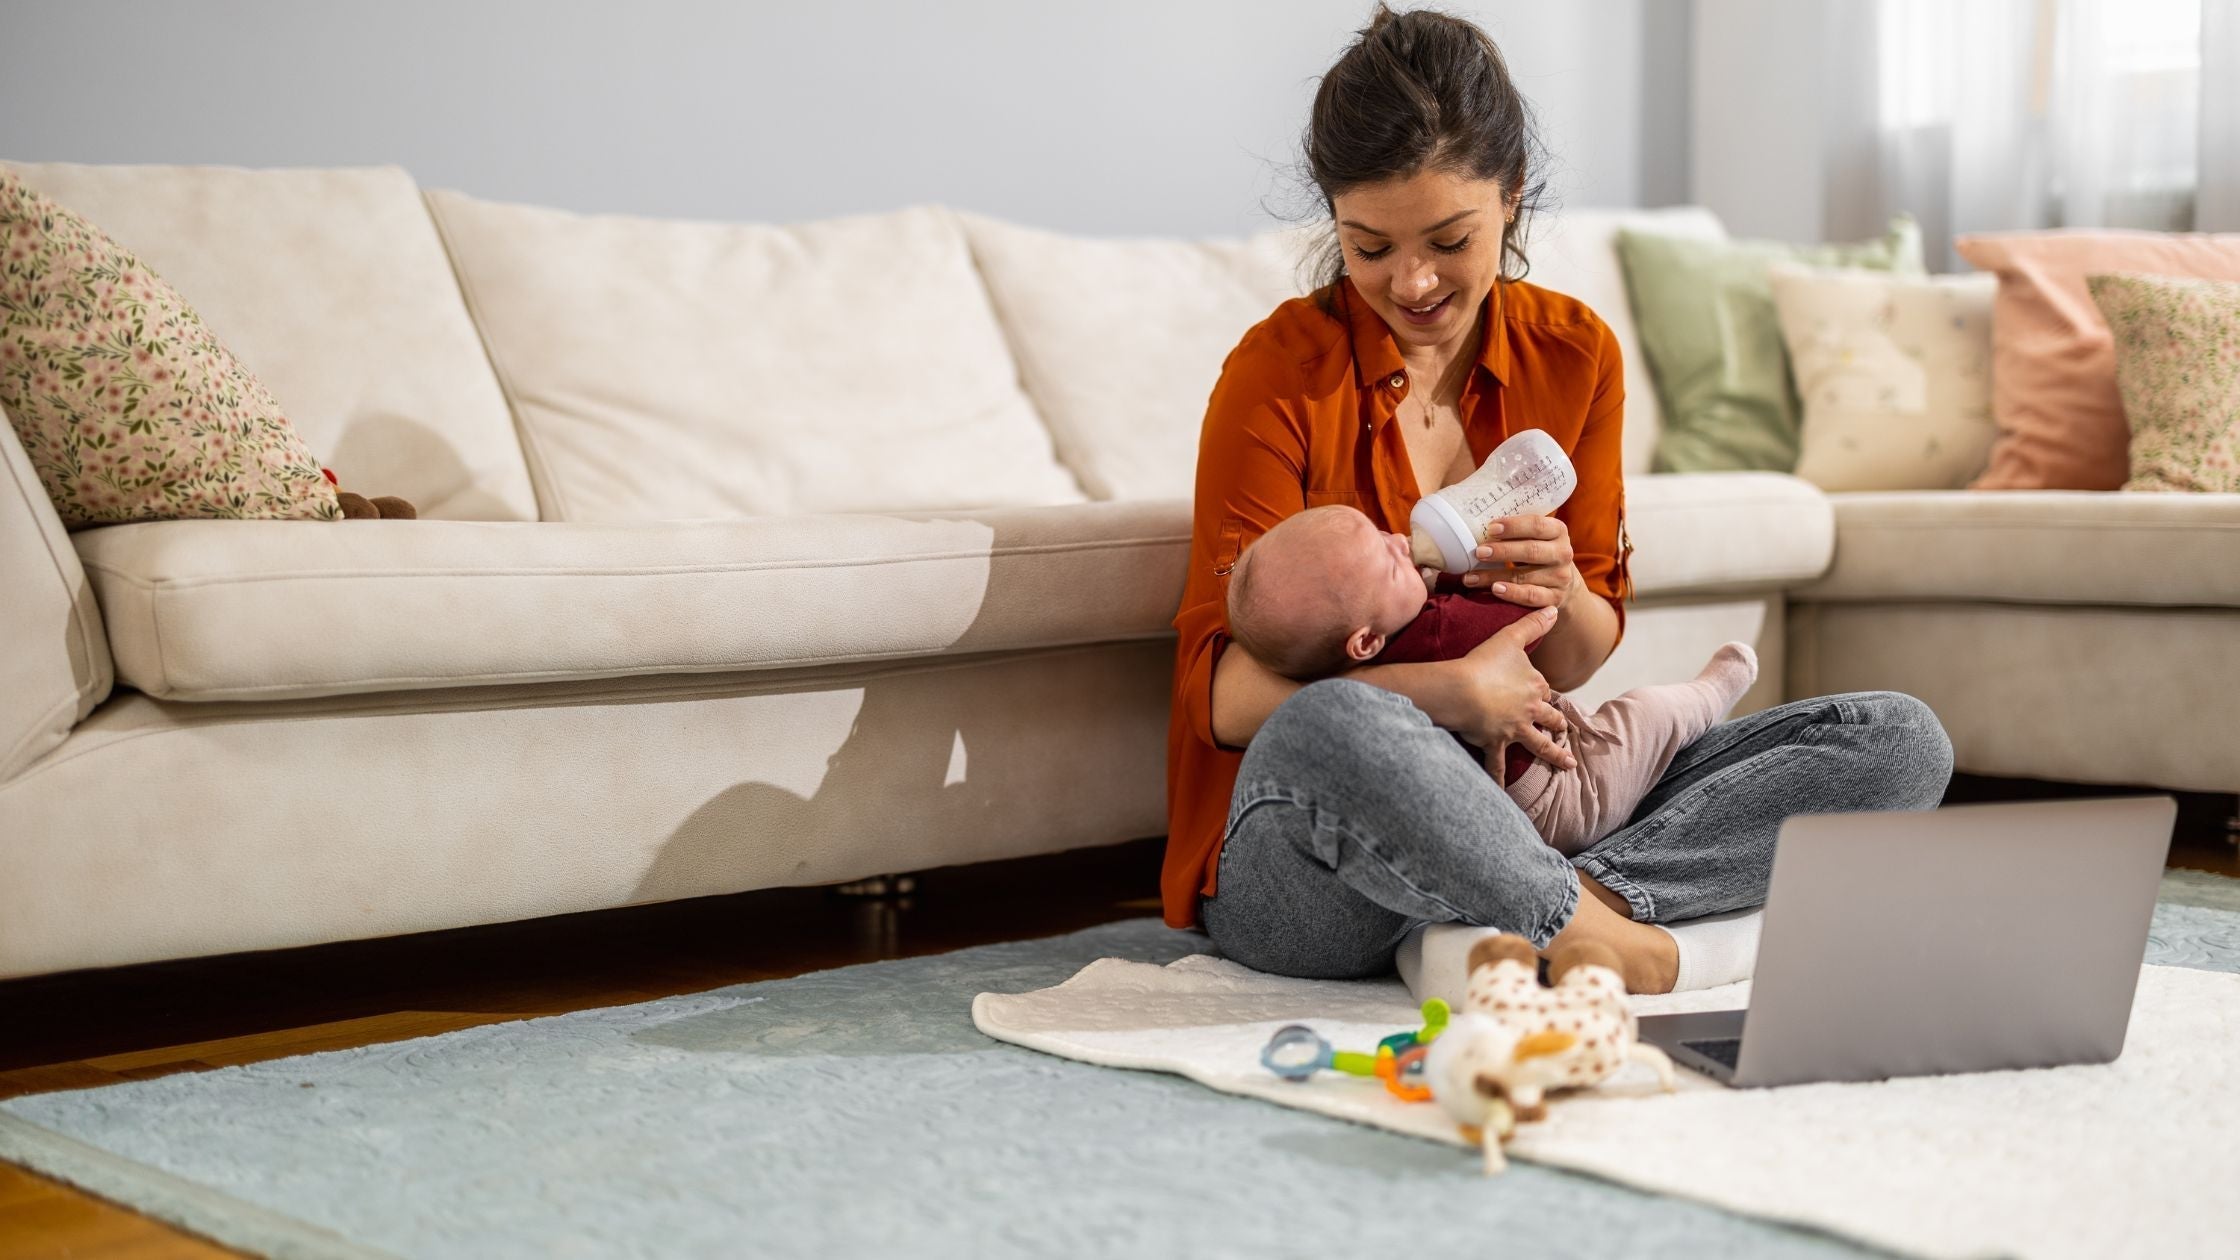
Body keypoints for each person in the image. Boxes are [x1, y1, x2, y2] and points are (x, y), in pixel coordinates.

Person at [1163, 3, 1952, 995]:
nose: (1411, 282)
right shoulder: (1278, 375)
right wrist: (1449, 695)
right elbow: (1225, 698)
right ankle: (1610, 933)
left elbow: (1575, 657)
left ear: (1512, 194)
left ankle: (1531, 914)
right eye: (1368, 249)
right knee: (1334, 728)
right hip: (1318, 864)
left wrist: (1562, 589)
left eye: (1448, 239)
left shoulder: (1573, 355)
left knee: (1895, 742)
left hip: (1533, 807)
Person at [1222, 503, 1760, 856]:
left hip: (1511, 790)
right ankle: (1709, 695)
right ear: (1364, 641)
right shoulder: (1442, 633)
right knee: (1643, 716)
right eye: (1389, 565)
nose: (1400, 543)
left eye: (1382, 534)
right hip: (1556, 801)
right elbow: (1513, 616)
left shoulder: (1353, 659)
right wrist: (1481, 568)